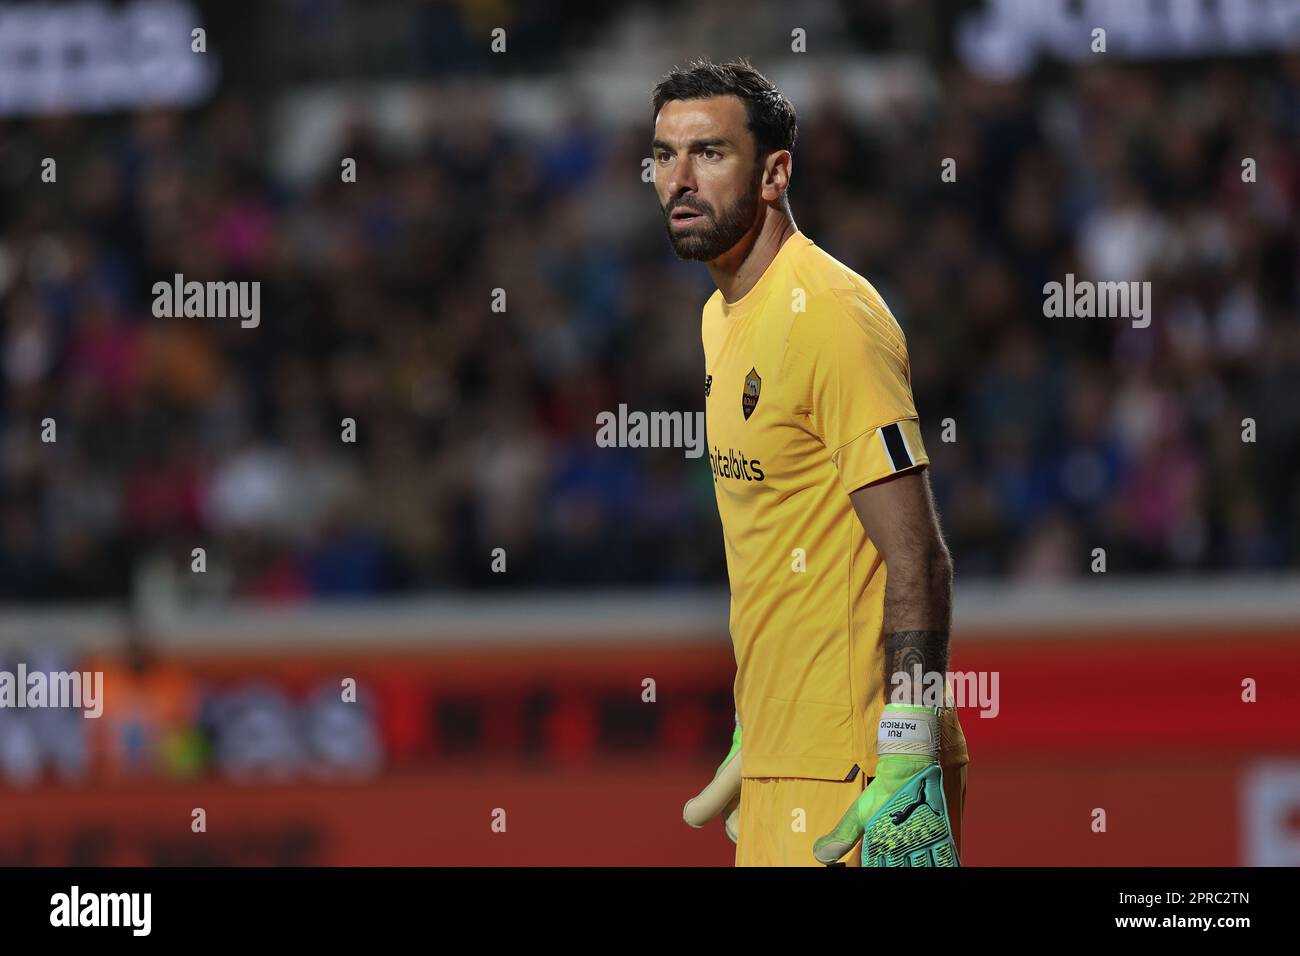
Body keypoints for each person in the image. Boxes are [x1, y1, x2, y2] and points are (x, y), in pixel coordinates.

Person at [656, 58, 968, 866]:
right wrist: (754, 723)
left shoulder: (832, 316)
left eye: (709, 153)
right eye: (663, 156)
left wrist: (908, 748)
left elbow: (918, 558)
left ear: (774, 172)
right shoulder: (719, 321)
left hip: (862, 777)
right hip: (781, 760)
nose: (678, 179)